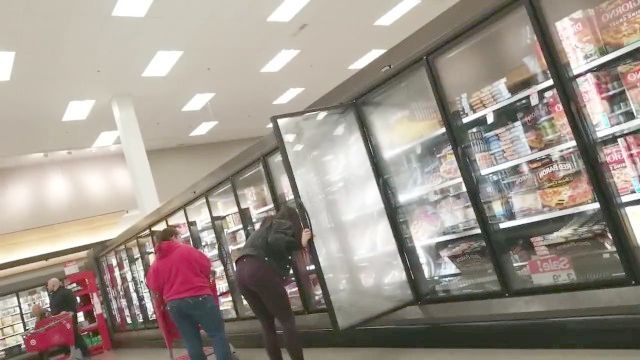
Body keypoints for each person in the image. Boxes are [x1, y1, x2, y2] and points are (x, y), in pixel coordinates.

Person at [236, 206, 312, 360]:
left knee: (267, 324)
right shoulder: (281, 223)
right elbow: (276, 241)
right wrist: (300, 243)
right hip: (258, 270)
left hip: (240, 272)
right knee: (287, 321)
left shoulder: (264, 227)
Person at [146, 226, 233, 360]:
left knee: (191, 340)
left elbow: (153, 285)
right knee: (217, 334)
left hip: (174, 304)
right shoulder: (187, 250)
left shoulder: (157, 262)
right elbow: (206, 266)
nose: (181, 239)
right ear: (173, 237)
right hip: (199, 297)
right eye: (179, 236)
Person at [47, 278, 90, 359]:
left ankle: (85, 356)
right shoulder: (53, 296)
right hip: (60, 324)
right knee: (69, 341)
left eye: (48, 285)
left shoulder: (67, 292)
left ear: (53, 285)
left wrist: (66, 313)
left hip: (69, 322)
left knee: (76, 338)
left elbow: (73, 306)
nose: (47, 287)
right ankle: (76, 356)